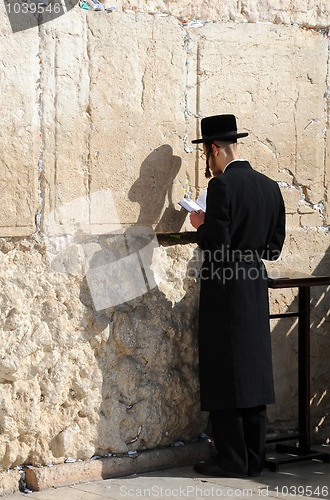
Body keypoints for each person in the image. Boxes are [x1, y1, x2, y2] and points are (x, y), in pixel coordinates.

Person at [190, 114, 286, 478]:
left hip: (225, 279)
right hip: (253, 279)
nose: (208, 162)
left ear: (214, 149)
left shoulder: (222, 186)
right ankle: (253, 457)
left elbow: (216, 242)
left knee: (223, 365)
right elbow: (273, 248)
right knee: (253, 366)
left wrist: (201, 225)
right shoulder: (269, 186)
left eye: (206, 155)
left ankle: (231, 459)